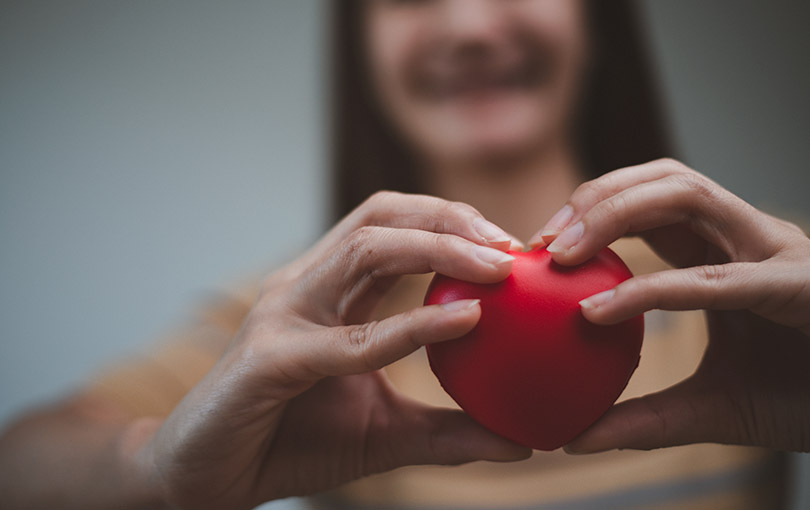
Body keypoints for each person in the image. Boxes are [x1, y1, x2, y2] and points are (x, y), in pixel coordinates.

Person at [1, 1, 808, 509]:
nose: (468, 24)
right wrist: (155, 474)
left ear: (598, 19)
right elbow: (22, 463)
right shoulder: (307, 325)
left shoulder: (763, 286)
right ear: (362, 44)